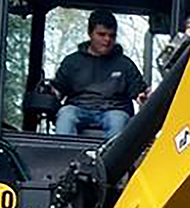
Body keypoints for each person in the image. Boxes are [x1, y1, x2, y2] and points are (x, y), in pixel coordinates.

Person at [53, 10, 147, 138]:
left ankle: (114, 158)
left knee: (118, 119)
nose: (107, 40)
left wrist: (144, 97)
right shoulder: (72, 62)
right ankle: (63, 155)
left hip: (114, 110)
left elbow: (139, 91)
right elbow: (58, 89)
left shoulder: (124, 64)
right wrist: (50, 92)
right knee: (66, 114)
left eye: (112, 36)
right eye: (101, 34)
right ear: (90, 33)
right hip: (79, 108)